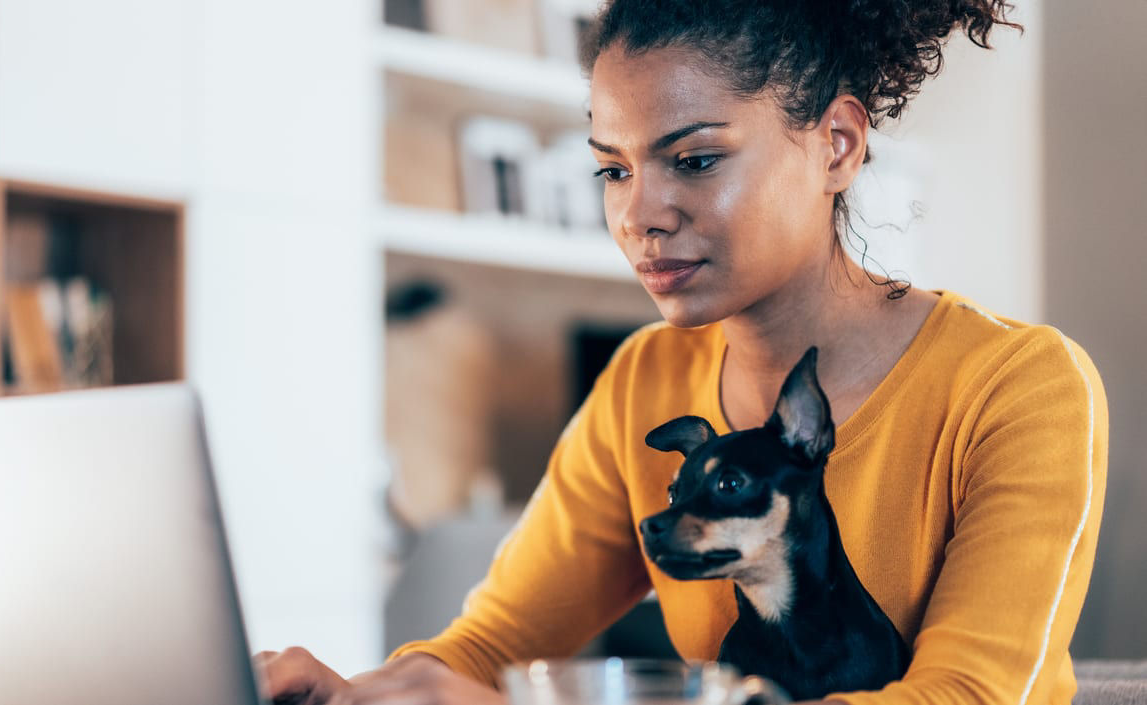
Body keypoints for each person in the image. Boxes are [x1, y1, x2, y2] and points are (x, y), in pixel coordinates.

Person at [255, 1, 1109, 703]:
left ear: (838, 145)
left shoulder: (1020, 388)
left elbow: (968, 698)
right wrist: (352, 692)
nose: (639, 215)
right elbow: (487, 647)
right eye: (613, 170)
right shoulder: (643, 383)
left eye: (695, 159)